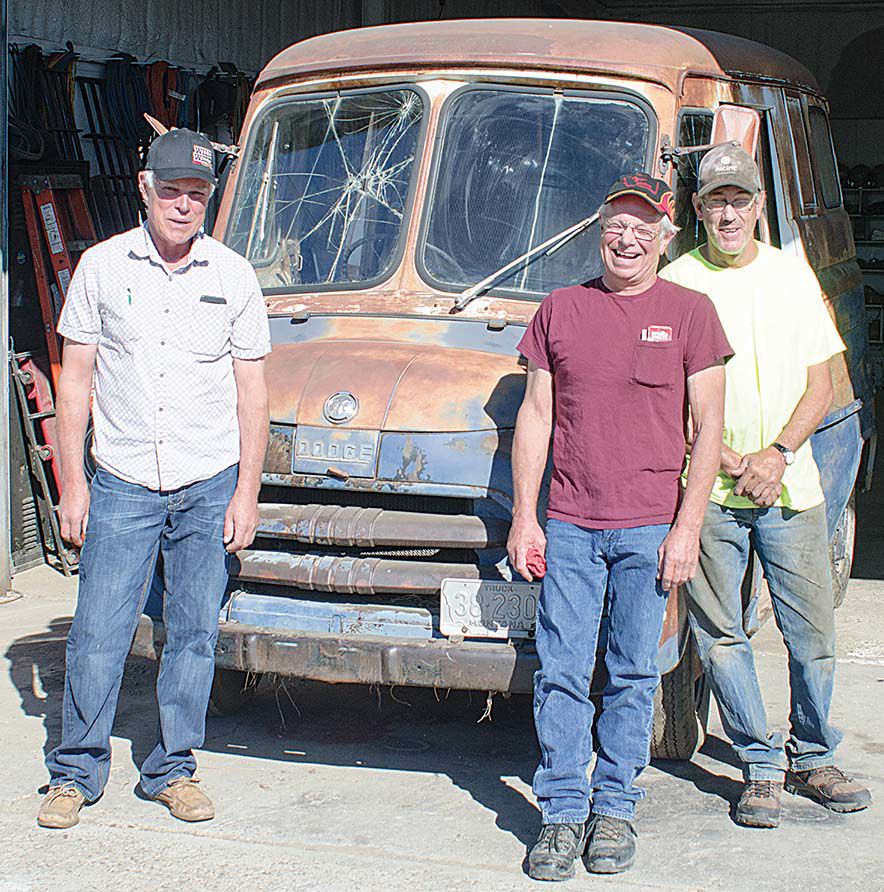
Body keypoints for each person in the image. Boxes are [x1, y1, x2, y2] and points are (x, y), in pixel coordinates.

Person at [36, 128, 271, 830]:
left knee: (195, 631)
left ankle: (172, 769)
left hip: (207, 481)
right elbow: (74, 383)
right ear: (145, 188)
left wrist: (247, 491)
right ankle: (75, 771)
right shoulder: (103, 270)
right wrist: (72, 485)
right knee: (100, 629)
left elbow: (252, 392)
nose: (183, 205)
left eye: (197, 194)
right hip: (123, 479)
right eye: (171, 191)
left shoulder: (233, 275)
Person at [508, 173, 732, 880]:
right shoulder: (560, 310)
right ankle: (563, 813)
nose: (627, 237)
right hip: (571, 523)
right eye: (616, 224)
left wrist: (687, 528)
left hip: (649, 529)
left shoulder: (693, 312)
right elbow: (536, 418)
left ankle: (614, 809)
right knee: (563, 674)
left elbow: (709, 427)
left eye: (644, 226)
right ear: (599, 231)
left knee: (635, 675)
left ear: (666, 237)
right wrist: (525, 517)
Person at [660, 144, 872, 827]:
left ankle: (812, 754)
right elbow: (666, 396)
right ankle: (758, 765)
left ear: (758, 207)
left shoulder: (790, 273)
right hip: (711, 492)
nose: (728, 212)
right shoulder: (678, 280)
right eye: (716, 200)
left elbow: (822, 382)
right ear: (697, 208)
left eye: (740, 199)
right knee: (723, 634)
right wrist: (723, 458)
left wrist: (777, 454)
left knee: (811, 634)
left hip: (790, 486)